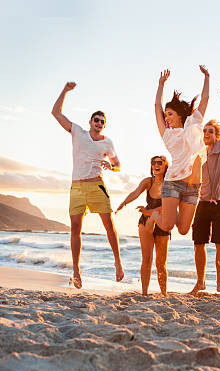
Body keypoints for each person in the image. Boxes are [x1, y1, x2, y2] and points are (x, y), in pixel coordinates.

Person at [51, 81, 125, 289]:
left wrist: (111, 166)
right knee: (75, 229)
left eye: (102, 121)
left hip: (97, 187)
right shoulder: (78, 133)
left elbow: (118, 165)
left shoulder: (107, 143)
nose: (99, 123)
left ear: (104, 124)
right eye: (96, 120)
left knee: (109, 226)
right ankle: (76, 271)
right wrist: (65, 90)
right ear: (90, 121)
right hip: (76, 188)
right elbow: (56, 112)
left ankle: (118, 263)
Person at [145, 66, 209, 235]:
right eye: (165, 115)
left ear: (180, 114)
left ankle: (168, 210)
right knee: (167, 226)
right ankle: (155, 214)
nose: (166, 118)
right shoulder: (167, 134)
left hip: (193, 186)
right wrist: (161, 85)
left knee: (183, 230)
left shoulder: (194, 123)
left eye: (170, 114)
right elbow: (156, 106)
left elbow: (205, 100)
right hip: (173, 182)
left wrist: (207, 77)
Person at [189, 82, 220, 295]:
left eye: (210, 131)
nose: (206, 133)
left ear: (216, 135)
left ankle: (219, 283)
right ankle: (200, 282)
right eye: (204, 130)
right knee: (198, 242)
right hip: (202, 202)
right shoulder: (198, 151)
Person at [116, 156, 170, 296]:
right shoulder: (148, 181)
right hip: (145, 221)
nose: (156, 165)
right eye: (154, 163)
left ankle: (164, 294)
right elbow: (135, 192)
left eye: (160, 163)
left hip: (163, 222)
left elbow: (166, 207)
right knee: (146, 259)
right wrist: (123, 203)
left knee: (161, 263)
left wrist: (149, 211)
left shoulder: (170, 184)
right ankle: (144, 293)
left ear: (165, 166)